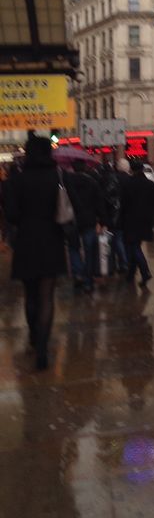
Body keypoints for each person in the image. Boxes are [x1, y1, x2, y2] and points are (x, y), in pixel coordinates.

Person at [3, 136, 67, 370]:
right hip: (51, 238)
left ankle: (33, 336)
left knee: (30, 294)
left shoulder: (16, 180)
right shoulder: (57, 177)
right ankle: (42, 349)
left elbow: (11, 215)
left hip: (26, 240)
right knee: (47, 295)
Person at [68, 158, 106, 293]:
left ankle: (78, 273)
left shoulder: (67, 182)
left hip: (72, 220)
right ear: (84, 168)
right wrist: (102, 220)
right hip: (89, 221)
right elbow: (99, 203)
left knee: (73, 248)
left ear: (73, 168)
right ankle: (88, 282)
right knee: (89, 252)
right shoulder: (92, 182)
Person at [120, 158, 154, 286]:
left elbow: (123, 203)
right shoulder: (150, 184)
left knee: (133, 246)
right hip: (145, 220)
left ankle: (145, 272)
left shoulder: (128, 184)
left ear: (131, 169)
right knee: (135, 245)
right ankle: (131, 273)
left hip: (131, 220)